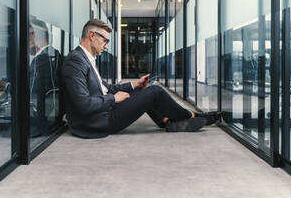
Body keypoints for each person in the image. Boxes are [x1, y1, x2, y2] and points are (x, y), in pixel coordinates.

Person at [62, 19, 219, 139]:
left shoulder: (86, 59)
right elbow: (83, 104)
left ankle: (168, 122)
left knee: (145, 91)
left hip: (103, 112)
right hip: (97, 122)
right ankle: (192, 115)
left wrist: (135, 84)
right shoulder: (76, 61)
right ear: (92, 36)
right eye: (105, 41)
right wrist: (113, 99)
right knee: (155, 92)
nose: (106, 46)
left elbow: (106, 89)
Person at [29, 19, 63, 133]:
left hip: (43, 114)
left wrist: (6, 86)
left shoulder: (42, 59)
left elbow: (31, 87)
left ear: (35, 35)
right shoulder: (51, 54)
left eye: (29, 33)